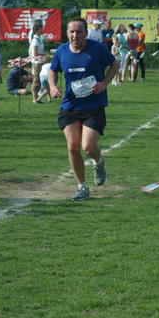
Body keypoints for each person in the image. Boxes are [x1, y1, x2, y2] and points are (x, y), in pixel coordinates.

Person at [48, 18, 118, 201]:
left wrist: (104, 83)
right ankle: (82, 188)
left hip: (93, 106)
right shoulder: (62, 51)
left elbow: (114, 64)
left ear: (86, 33)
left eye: (79, 31)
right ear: (67, 33)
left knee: (87, 147)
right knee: (73, 147)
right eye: (71, 32)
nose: (75, 35)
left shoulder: (97, 48)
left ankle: (98, 160)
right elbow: (52, 70)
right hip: (70, 106)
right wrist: (53, 86)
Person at [29, 21, 46, 104]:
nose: (42, 30)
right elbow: (35, 54)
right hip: (36, 63)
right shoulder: (35, 40)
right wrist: (45, 55)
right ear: (36, 30)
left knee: (39, 80)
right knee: (36, 80)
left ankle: (38, 98)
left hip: (40, 62)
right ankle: (34, 99)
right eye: (40, 29)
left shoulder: (39, 39)